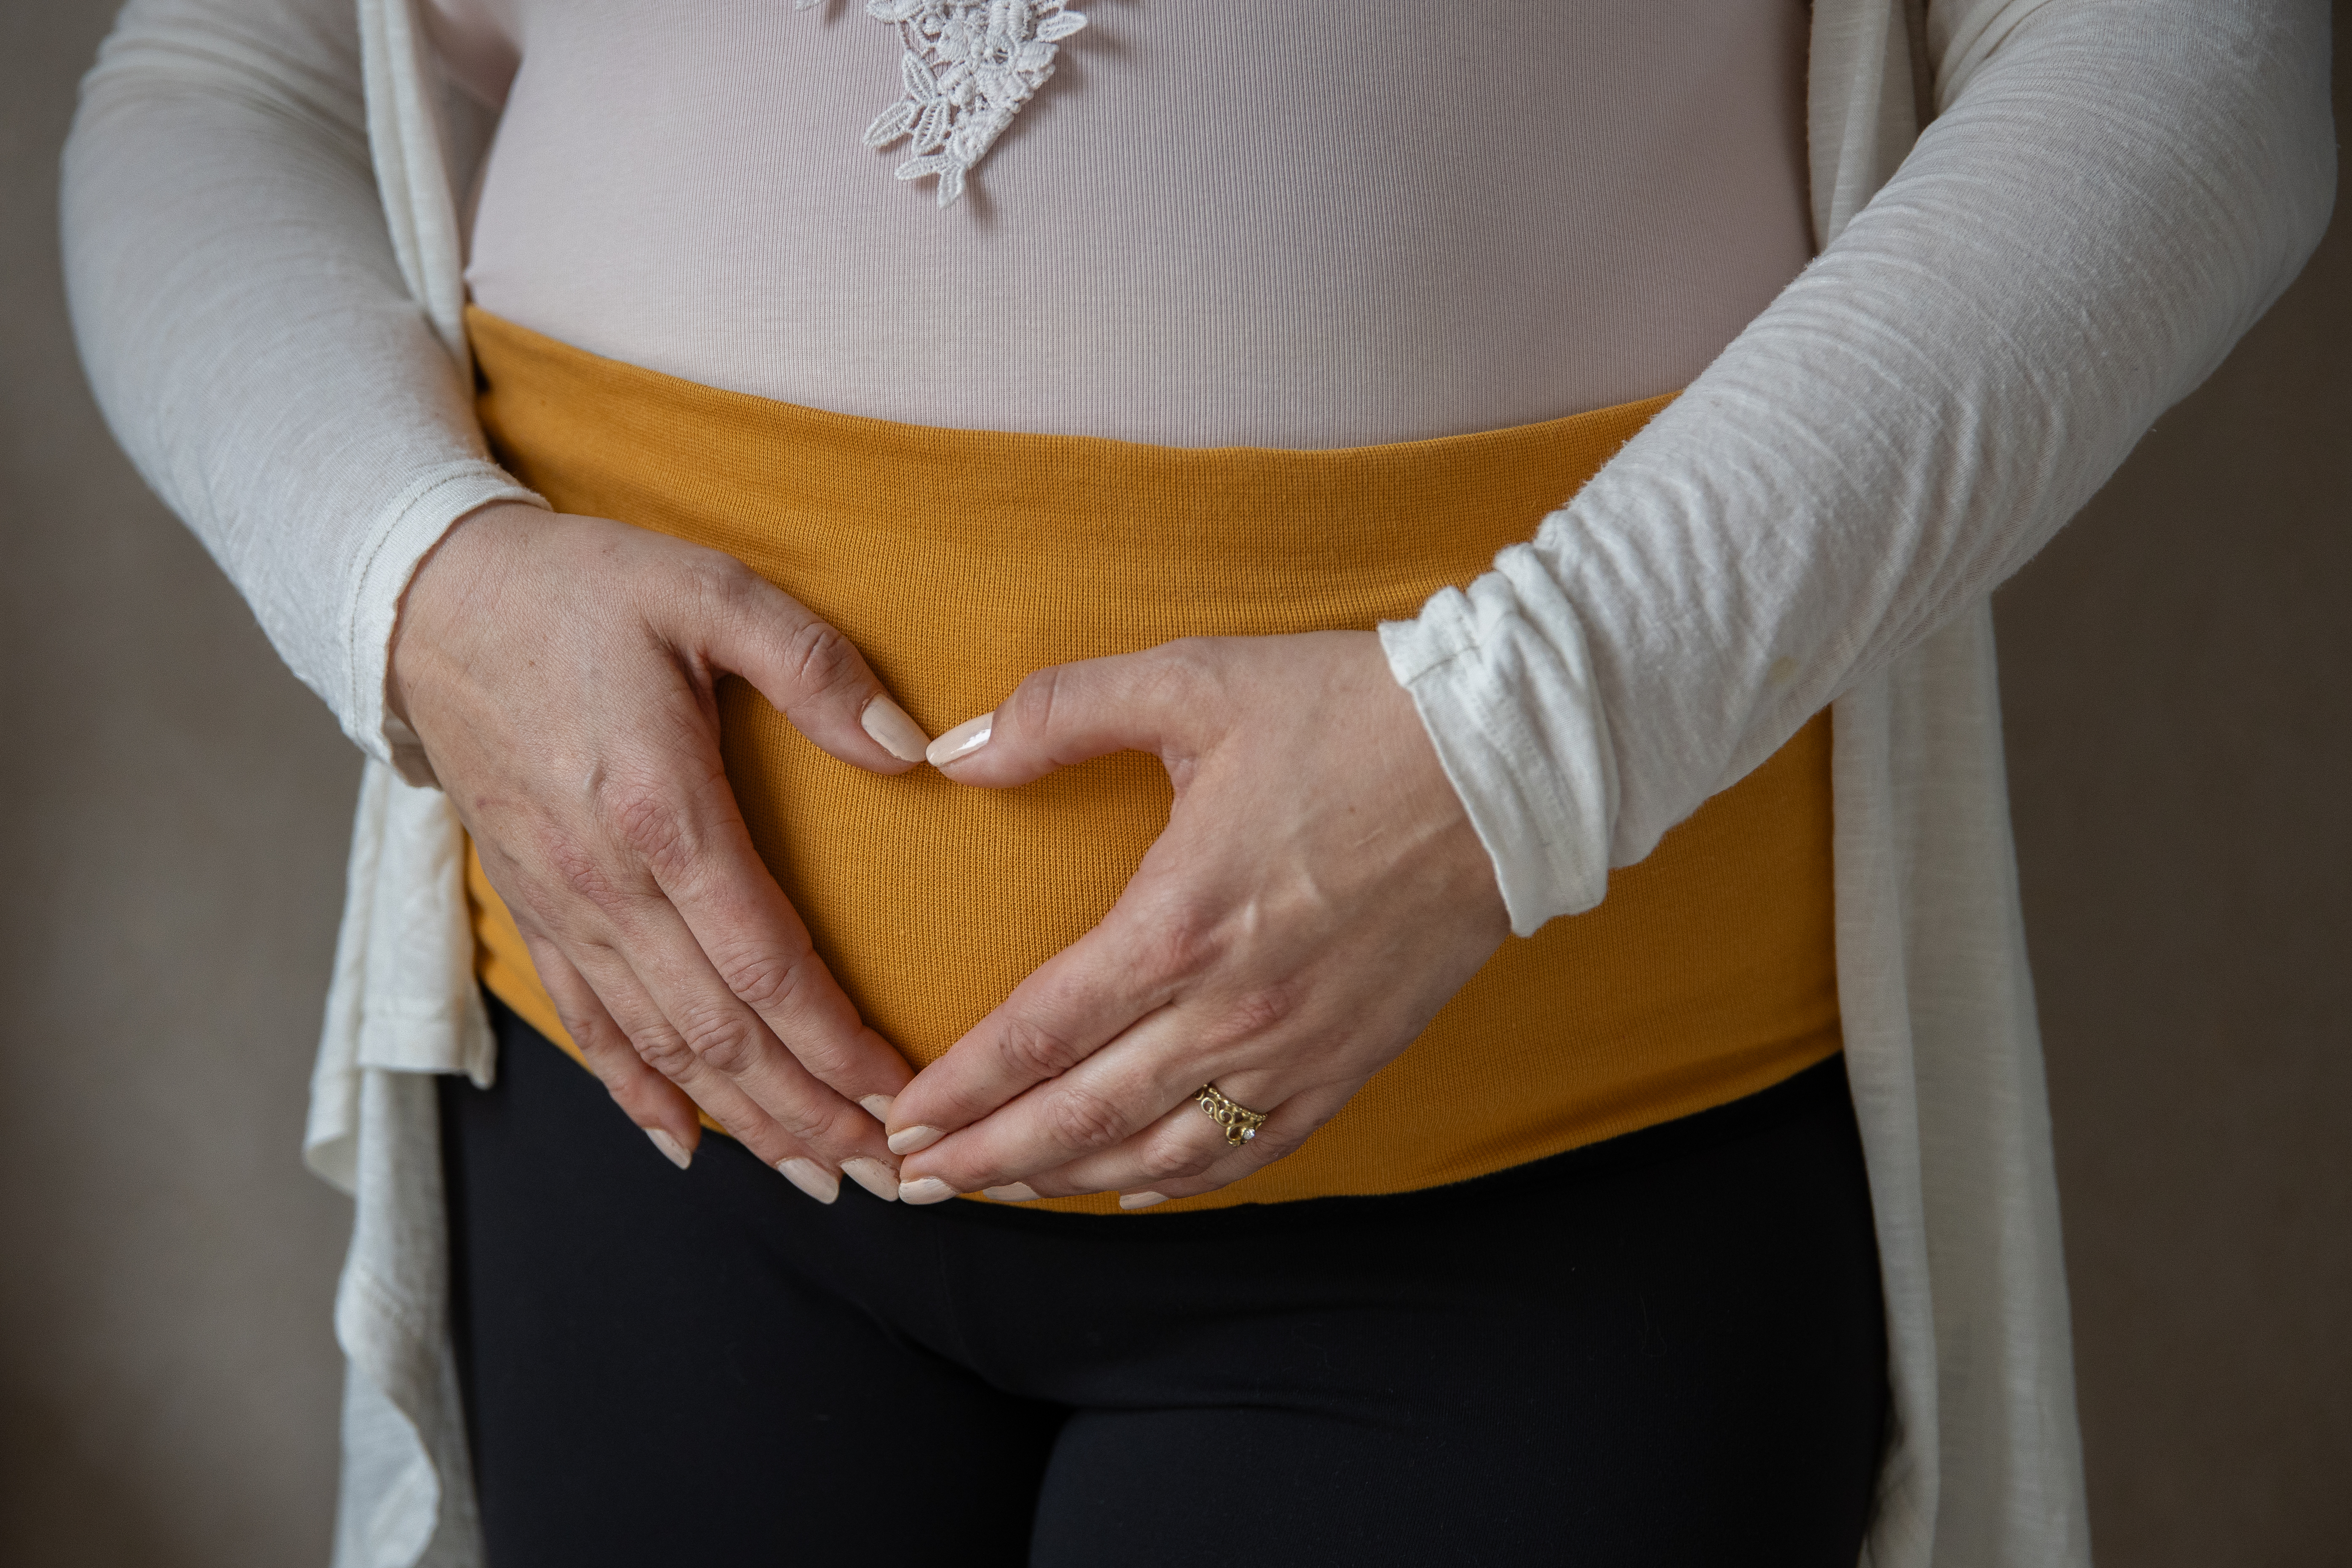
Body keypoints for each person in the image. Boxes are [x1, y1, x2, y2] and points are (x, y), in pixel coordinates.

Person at [60, 0, 2333, 1564]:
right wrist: (415, 582)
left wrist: (1517, 738)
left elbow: (2197, 58)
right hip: (646, 1158)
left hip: (1523, 1196)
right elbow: (217, 66)